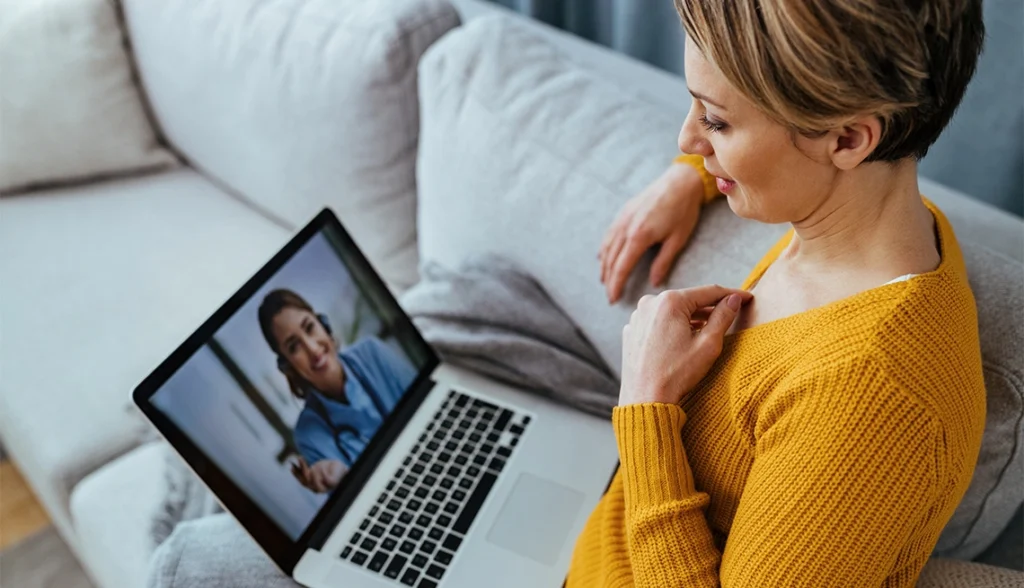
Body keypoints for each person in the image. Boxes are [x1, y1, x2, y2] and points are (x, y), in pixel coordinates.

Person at [579, 1, 987, 586]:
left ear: (848, 138)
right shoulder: (884, 220)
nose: (687, 137)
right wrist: (691, 178)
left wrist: (646, 408)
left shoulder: (871, 401)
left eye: (715, 121)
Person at [258, 289, 417, 494]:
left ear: (324, 325)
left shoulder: (372, 353)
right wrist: (343, 476)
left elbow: (428, 406)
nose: (313, 350)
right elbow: (358, 502)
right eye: (294, 346)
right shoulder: (309, 434)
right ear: (287, 366)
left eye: (310, 328)